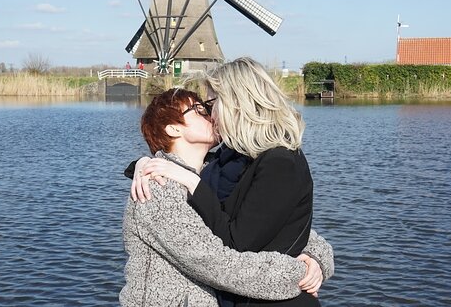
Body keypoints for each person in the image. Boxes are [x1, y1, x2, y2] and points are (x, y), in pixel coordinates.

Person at [136, 57, 329, 306]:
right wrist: (142, 164)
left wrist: (314, 259)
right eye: (202, 108)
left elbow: (240, 240)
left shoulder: (279, 163)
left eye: (210, 104)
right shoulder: (233, 159)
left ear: (235, 103)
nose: (210, 114)